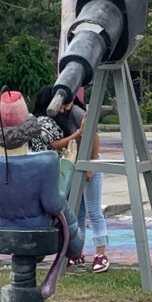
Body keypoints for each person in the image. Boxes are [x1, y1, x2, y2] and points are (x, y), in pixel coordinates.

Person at [0, 89, 83, 258]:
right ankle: (75, 248)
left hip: (3, 228)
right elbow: (54, 205)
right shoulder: (46, 161)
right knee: (64, 211)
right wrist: (67, 166)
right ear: (28, 127)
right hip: (39, 230)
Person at [31, 86, 110, 274]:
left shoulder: (76, 112)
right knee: (78, 212)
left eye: (67, 104)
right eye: (62, 106)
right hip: (76, 166)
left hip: (89, 165)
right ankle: (77, 252)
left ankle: (100, 254)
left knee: (94, 211)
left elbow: (94, 136)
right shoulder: (53, 119)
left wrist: (91, 164)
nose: (65, 109)